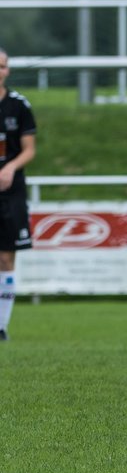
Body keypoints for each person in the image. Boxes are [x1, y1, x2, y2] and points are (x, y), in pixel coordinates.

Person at [0, 47, 38, 342]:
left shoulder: (18, 106)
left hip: (9, 194)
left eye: (2, 66)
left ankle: (1, 326)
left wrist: (10, 167)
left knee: (5, 259)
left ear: (8, 70)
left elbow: (30, 150)